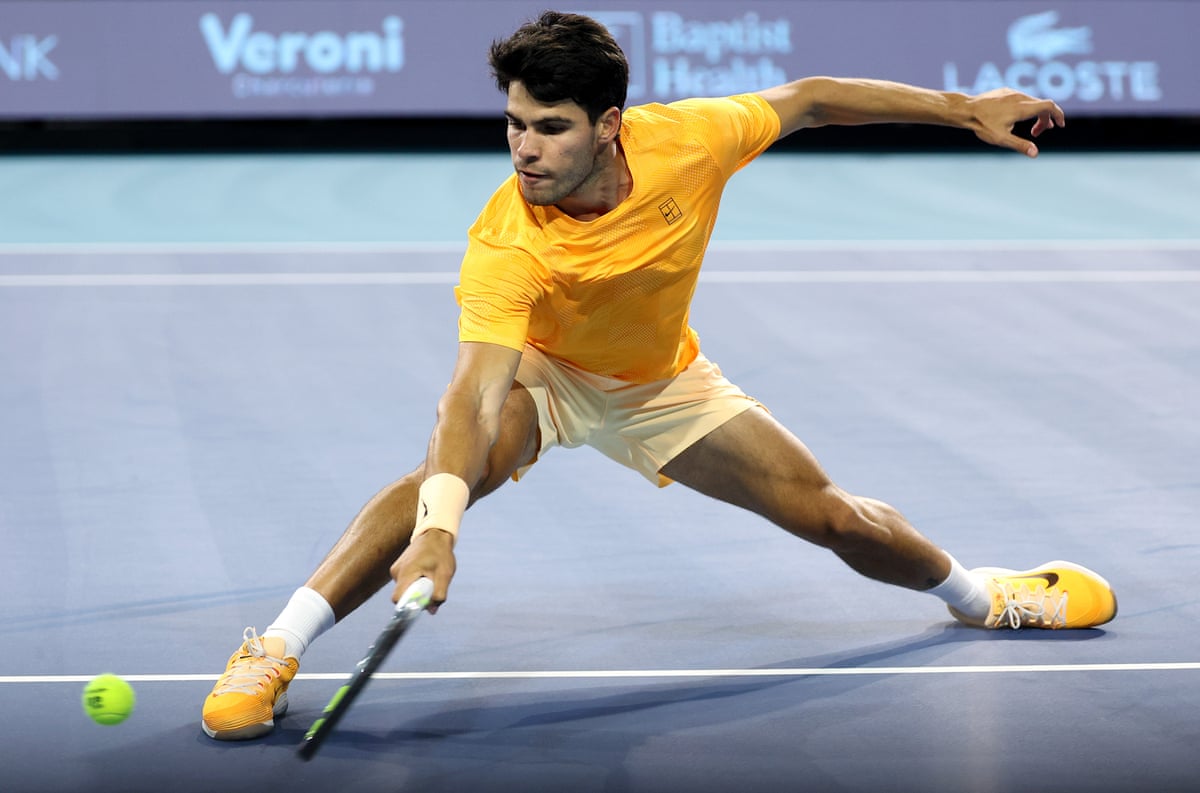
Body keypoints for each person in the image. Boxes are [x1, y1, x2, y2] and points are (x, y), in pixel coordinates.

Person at [200, 11, 1117, 741]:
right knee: (434, 484)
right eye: (514, 123)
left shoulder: (689, 141)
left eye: (550, 128)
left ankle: (985, 596)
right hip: (546, 376)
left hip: (660, 386)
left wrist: (962, 110)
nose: (524, 149)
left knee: (836, 516)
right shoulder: (507, 240)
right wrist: (439, 532)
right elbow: (472, 398)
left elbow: (810, 100)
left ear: (609, 127)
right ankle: (274, 649)